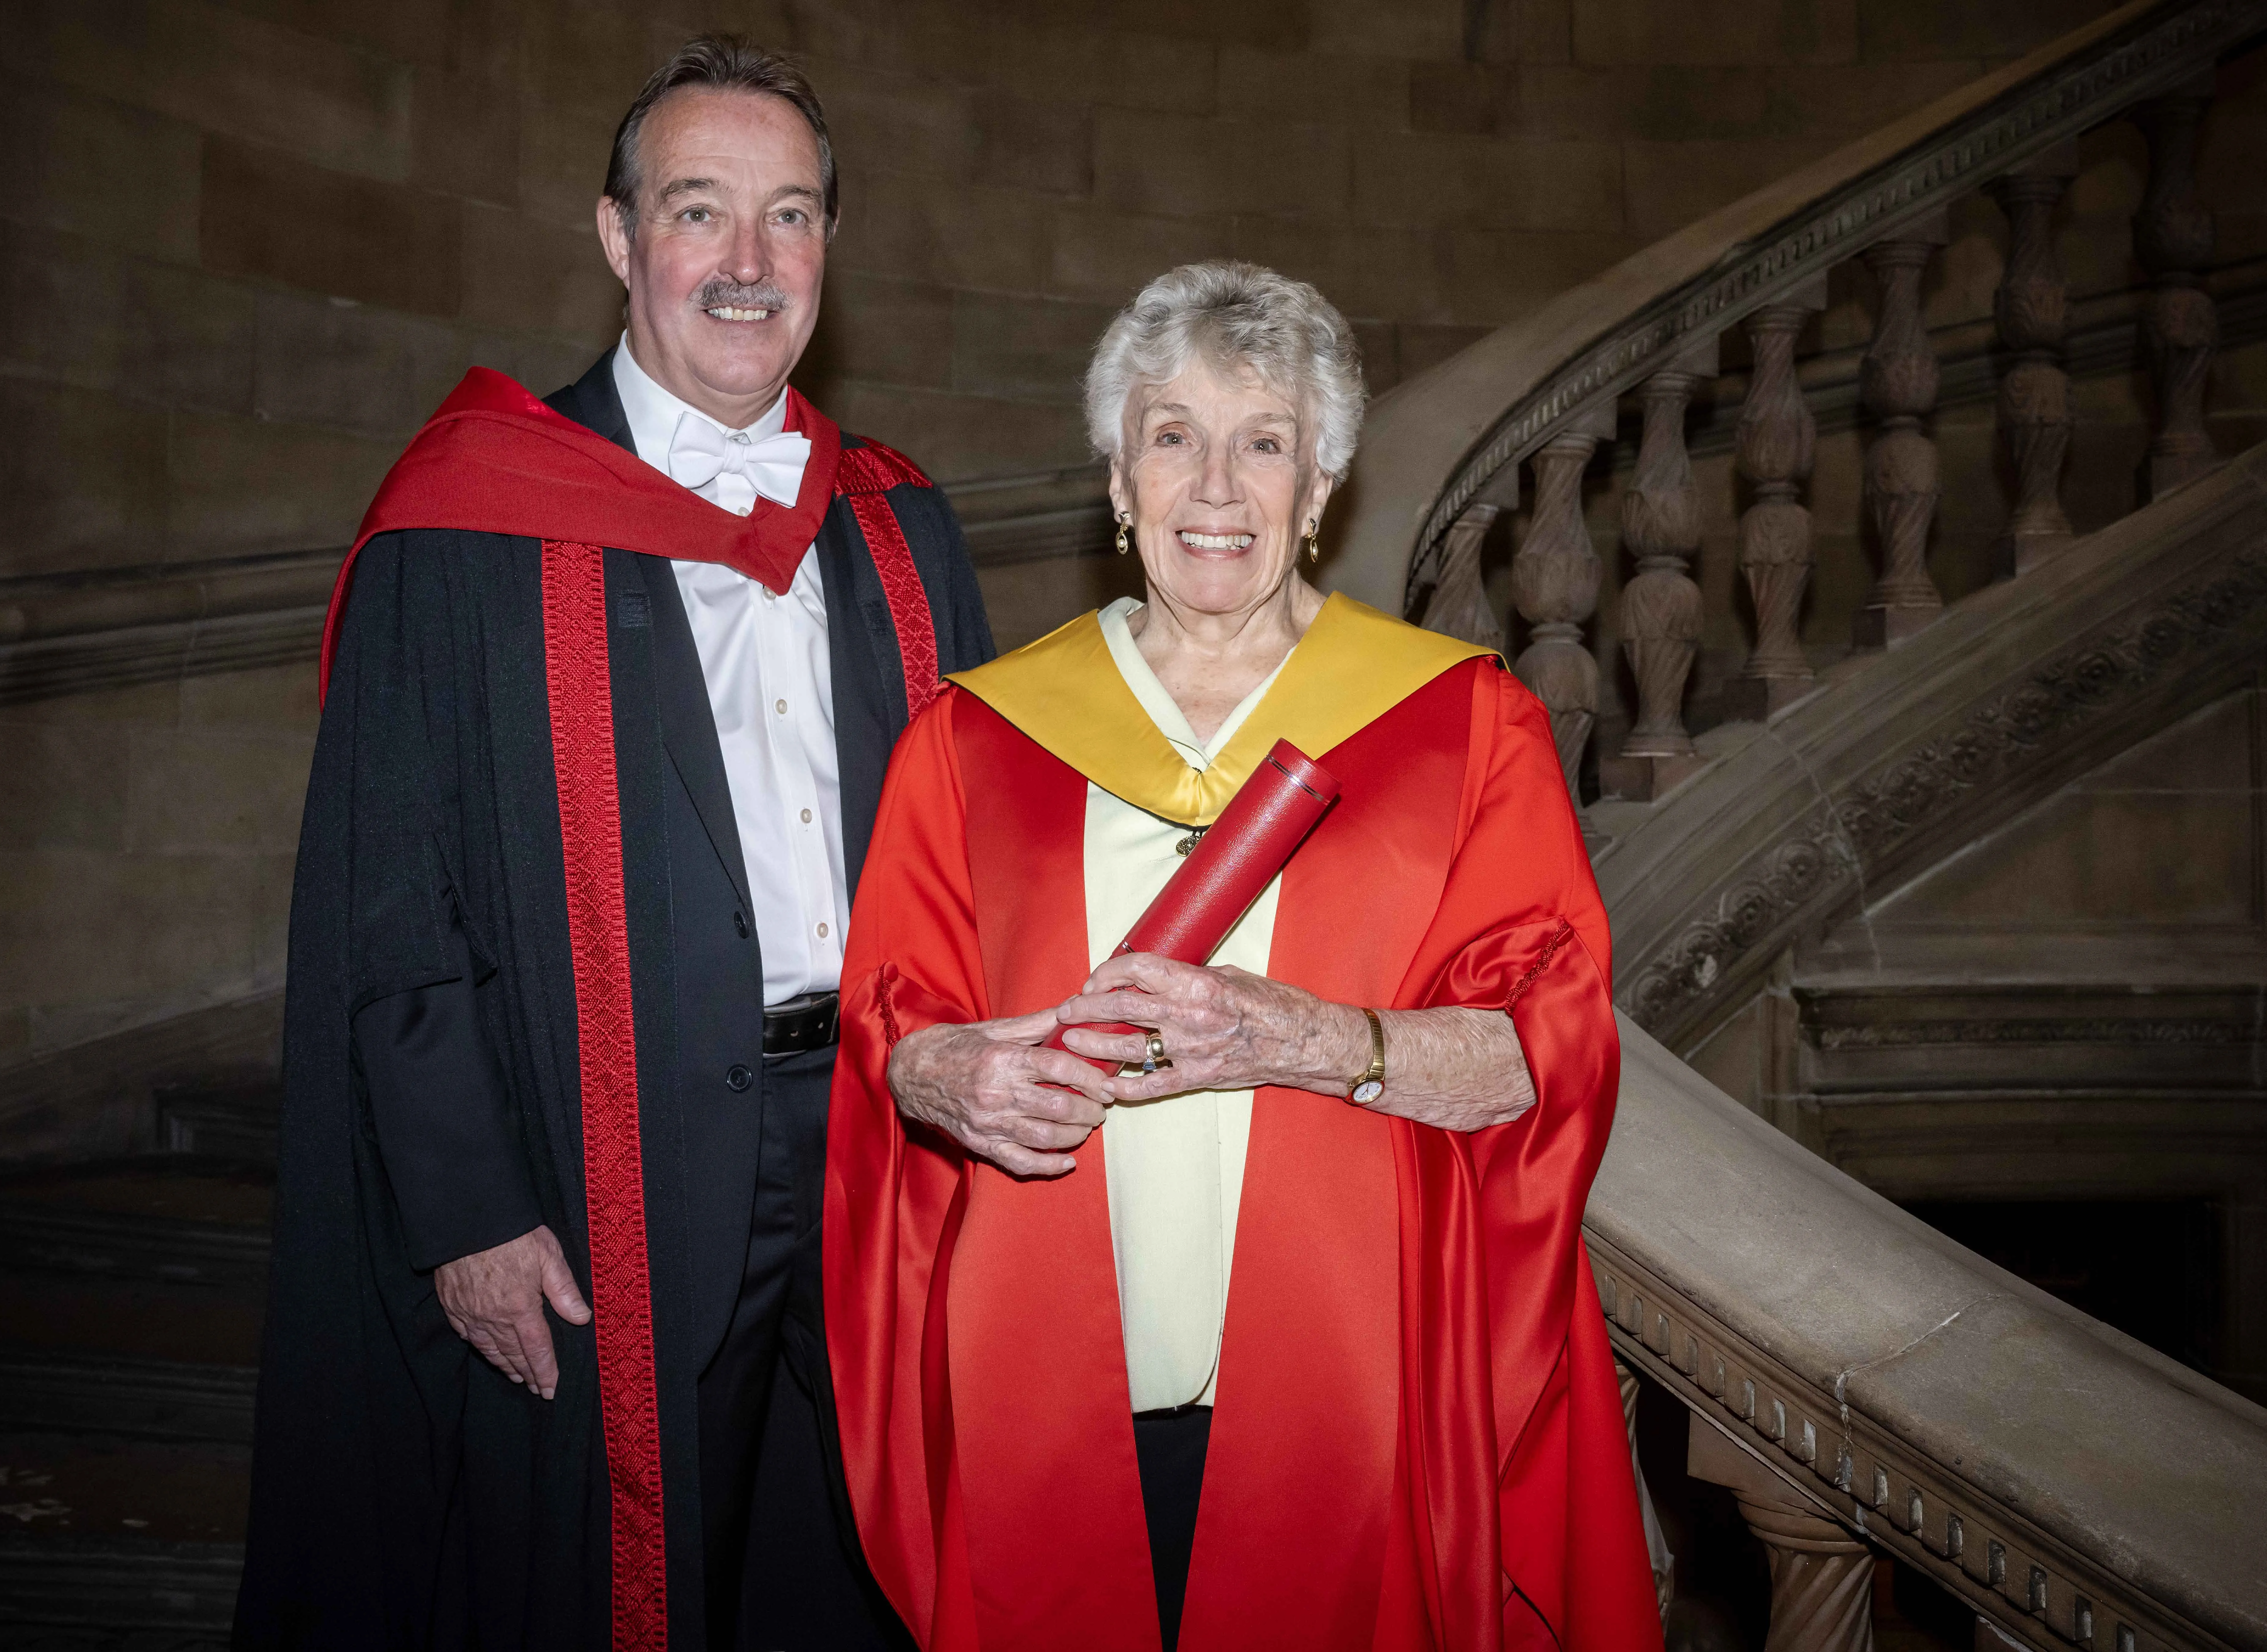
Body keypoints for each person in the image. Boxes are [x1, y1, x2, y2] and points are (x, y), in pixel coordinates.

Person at [237, 37, 990, 1651]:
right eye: (697, 211)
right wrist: (465, 1211)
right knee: (602, 1591)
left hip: (882, 1143)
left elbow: (980, 855)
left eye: (787, 218)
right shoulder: (469, 524)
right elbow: (392, 910)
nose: (744, 263)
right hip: (599, 1174)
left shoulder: (897, 525)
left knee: (877, 1575)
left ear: (827, 252)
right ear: (614, 236)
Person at [822, 262, 1663, 1651]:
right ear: (1115, 476)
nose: (1216, 484)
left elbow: (1542, 1051)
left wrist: (1310, 1037)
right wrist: (945, 1069)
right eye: (1172, 436)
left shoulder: (1462, 730)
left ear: (1320, 484)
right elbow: (889, 1030)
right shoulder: (972, 742)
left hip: (1348, 1381)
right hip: (1040, 1370)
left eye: (1264, 440)